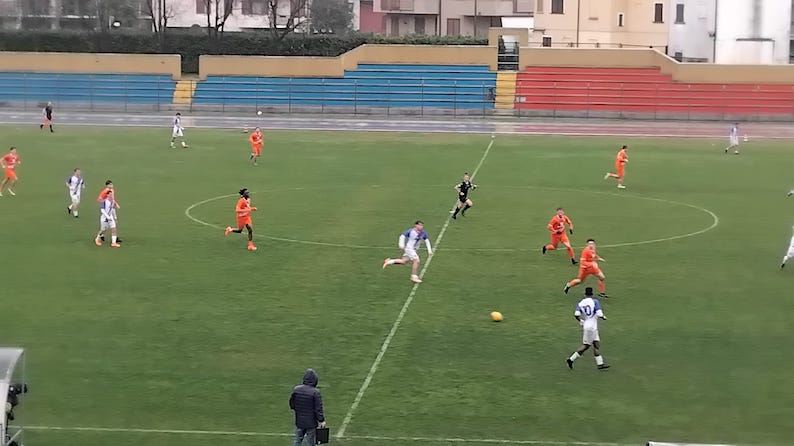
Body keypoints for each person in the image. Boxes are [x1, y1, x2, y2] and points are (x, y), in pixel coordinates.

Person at [566, 287, 610, 371]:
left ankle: (600, 364)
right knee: (586, 346)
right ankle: (571, 359)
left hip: (588, 325)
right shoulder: (595, 301)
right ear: (592, 294)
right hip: (592, 327)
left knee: (596, 344)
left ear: (585, 294)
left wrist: (580, 320)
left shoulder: (581, 303)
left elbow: (576, 314)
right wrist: (603, 317)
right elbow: (599, 313)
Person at [289, 368, 326, 446]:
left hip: (299, 421)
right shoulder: (315, 392)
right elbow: (318, 409)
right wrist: (321, 420)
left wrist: (298, 410)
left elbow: (292, 404)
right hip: (311, 423)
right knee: (310, 442)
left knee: (297, 441)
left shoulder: (296, 389)